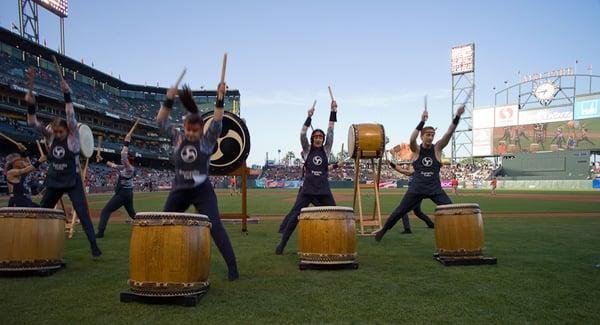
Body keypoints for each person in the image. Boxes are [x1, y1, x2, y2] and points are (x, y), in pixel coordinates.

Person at [156, 81, 239, 281]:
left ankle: (232, 267)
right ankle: (159, 263)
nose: (192, 134)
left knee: (215, 226)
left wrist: (221, 97)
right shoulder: (177, 138)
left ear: (201, 130)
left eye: (195, 130)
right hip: (179, 190)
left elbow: (217, 122)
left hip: (202, 191)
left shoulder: (207, 141)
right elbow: (160, 121)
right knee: (164, 224)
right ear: (184, 128)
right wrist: (168, 99)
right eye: (189, 130)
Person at [26, 78, 102, 256]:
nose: (58, 134)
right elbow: (32, 123)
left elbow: (70, 115)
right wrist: (30, 104)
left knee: (82, 213)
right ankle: (36, 241)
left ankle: (93, 245)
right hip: (53, 181)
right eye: (56, 131)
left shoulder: (73, 137)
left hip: (72, 181)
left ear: (68, 130)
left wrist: (67, 94)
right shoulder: (51, 136)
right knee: (43, 211)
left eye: (61, 131)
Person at [374, 104, 465, 242]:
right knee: (400, 211)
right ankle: (383, 231)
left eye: (433, 135)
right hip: (417, 188)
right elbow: (412, 138)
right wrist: (422, 121)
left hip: (435, 189)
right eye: (428, 135)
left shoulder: (438, 148)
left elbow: (449, 132)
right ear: (422, 136)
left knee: (451, 209)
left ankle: (458, 235)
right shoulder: (416, 149)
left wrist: (457, 116)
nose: (431, 137)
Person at [276, 99, 338, 254]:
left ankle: (335, 242)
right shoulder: (306, 149)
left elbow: (330, 129)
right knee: (295, 216)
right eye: (316, 137)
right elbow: (302, 133)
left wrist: (333, 111)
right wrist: (309, 116)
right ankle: (282, 244)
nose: (318, 139)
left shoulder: (327, 149)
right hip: (308, 189)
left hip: (323, 190)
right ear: (312, 139)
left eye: (320, 137)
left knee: (335, 215)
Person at [96, 135, 137, 238]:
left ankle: (100, 233)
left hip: (123, 194)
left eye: (126, 159)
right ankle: (145, 224)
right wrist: (102, 160)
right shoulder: (124, 167)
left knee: (106, 211)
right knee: (133, 214)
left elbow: (123, 154)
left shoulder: (129, 168)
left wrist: (127, 141)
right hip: (128, 194)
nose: (123, 160)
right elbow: (112, 165)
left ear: (128, 160)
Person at [389, 161, 434, 234]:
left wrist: (393, 164)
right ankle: (431, 224)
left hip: (415, 195)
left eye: (410, 165)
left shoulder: (416, 171)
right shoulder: (414, 173)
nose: (409, 167)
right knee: (418, 212)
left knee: (403, 211)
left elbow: (405, 171)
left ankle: (407, 229)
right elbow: (404, 171)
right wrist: (392, 164)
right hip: (415, 194)